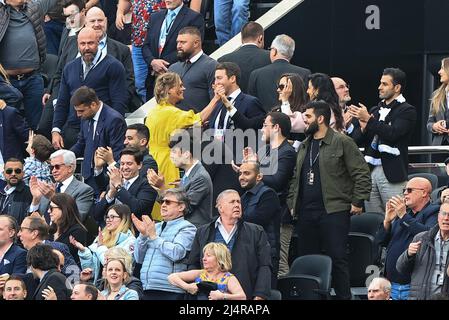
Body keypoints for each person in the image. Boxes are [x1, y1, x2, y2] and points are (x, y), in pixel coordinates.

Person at [287, 101, 371, 300]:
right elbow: (295, 178)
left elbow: (362, 173)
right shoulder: (305, 144)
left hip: (334, 210)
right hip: (306, 211)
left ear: (320, 118)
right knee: (308, 258)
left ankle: (344, 297)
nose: (304, 121)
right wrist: (292, 204)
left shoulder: (342, 142)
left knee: (338, 257)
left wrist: (357, 202)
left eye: (307, 117)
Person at [144, 72, 219, 219]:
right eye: (180, 85)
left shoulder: (154, 112)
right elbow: (200, 117)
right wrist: (216, 98)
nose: (183, 88)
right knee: (172, 206)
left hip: (153, 159)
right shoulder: (171, 112)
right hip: (167, 163)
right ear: (169, 90)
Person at [349, 68, 417, 214]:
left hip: (392, 172)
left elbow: (393, 133)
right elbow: (357, 141)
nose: (379, 87)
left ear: (397, 87)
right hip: (370, 171)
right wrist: (363, 128)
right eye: (380, 83)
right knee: (374, 218)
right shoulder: (375, 110)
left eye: (385, 84)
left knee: (396, 216)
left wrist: (369, 120)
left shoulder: (407, 111)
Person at [52, 27, 128, 150]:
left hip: (101, 130)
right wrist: (56, 130)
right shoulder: (69, 68)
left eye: (90, 43)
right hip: (73, 129)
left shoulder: (113, 66)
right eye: (82, 44)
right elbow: (62, 101)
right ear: (77, 44)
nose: (86, 48)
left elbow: (119, 102)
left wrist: (112, 130)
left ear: (98, 42)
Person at [188, 189, 272, 300]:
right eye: (232, 202)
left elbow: (264, 265)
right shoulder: (203, 231)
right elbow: (193, 263)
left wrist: (260, 295)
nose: (237, 205)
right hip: (208, 295)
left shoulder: (256, 231)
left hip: (243, 294)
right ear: (220, 208)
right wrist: (195, 285)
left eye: (238, 202)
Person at [376, 177, 439, 300]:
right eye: (404, 190)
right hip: (392, 284)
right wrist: (387, 221)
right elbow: (381, 241)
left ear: (424, 193)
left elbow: (428, 235)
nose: (405, 193)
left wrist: (403, 216)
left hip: (412, 285)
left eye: (409, 190)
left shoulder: (434, 211)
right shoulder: (405, 214)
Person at [0, 0, 58, 130]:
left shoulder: (34, 7)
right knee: (8, 125)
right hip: (7, 82)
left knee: (36, 125)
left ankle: (34, 150)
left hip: (33, 79)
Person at [133, 188, 197, 300]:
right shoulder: (155, 227)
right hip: (147, 288)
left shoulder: (188, 227)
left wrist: (153, 237)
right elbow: (139, 259)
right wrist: (143, 236)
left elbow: (177, 253)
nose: (163, 205)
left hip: (170, 290)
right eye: (162, 202)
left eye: (168, 202)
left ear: (181, 207)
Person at [147, 130, 214, 227]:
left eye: (174, 152)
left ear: (186, 154)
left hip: (193, 230)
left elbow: (184, 207)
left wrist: (162, 188)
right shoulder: (189, 174)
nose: (171, 156)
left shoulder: (200, 177)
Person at [69, 86, 127, 195]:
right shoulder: (85, 118)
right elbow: (81, 143)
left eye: (81, 111)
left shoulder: (114, 120)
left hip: (105, 179)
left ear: (93, 105)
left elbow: (118, 153)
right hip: (87, 177)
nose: (78, 115)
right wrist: (64, 156)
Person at [142, 0, 204, 100]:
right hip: (153, 77)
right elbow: (146, 45)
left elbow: (192, 47)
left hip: (177, 79)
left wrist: (162, 65)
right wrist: (153, 61)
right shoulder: (155, 17)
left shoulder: (194, 18)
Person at [70, 204, 136, 284]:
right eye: (107, 217)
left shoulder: (130, 241)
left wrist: (100, 247)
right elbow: (93, 270)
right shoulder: (102, 236)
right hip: (99, 285)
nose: (108, 220)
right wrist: (84, 252)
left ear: (124, 219)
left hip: (118, 286)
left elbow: (113, 265)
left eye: (112, 217)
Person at [396, 201, 449, 300]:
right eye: (443, 213)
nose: (446, 218)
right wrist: (408, 254)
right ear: (438, 216)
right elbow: (401, 269)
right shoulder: (422, 238)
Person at [239, 161, 280, 285]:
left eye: (246, 173)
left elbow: (259, 221)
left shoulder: (269, 195)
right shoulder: (244, 196)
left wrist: (235, 217)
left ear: (259, 177)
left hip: (265, 255)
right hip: (248, 253)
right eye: (240, 173)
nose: (241, 177)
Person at [115, 0, 165, 102]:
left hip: (160, 42)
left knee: (163, 82)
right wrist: (120, 12)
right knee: (140, 84)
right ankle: (148, 112)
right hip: (138, 41)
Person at [92, 147, 157, 222]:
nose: (125, 167)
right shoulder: (114, 182)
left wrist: (119, 188)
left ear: (139, 165)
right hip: (110, 230)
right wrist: (110, 194)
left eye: (129, 164)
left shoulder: (147, 185)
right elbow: (97, 215)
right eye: (122, 164)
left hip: (134, 230)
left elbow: (139, 210)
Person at [248, 34, 311, 112]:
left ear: (274, 51)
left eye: (270, 49)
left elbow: (251, 106)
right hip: (294, 122)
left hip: (264, 122)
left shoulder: (256, 74)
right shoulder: (305, 73)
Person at [28, 149, 94, 223]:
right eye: (51, 167)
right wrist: (36, 199)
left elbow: (77, 219)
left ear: (70, 168)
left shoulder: (83, 190)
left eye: (57, 167)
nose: (53, 171)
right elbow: (32, 222)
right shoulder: (48, 189)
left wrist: (53, 198)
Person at [168, 242, 246, 300]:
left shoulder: (228, 278)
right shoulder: (200, 273)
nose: (204, 259)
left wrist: (223, 296)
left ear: (220, 259)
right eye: (204, 256)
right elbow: (172, 277)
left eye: (208, 256)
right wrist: (187, 287)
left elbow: (242, 297)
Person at [169, 26, 217, 112]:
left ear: (196, 43)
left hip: (199, 123)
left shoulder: (212, 66)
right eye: (178, 42)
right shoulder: (173, 68)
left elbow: (216, 99)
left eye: (183, 42)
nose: (178, 46)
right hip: (173, 122)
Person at [218, 21, 270, 93]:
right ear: (260, 38)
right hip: (263, 103)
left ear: (241, 39)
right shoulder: (270, 57)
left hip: (233, 104)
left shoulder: (223, 60)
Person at [46, 193, 88, 265]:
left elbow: (63, 255)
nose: (48, 211)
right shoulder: (51, 230)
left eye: (51, 208)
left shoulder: (78, 231)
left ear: (63, 208)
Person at [427, 57, 449, 161]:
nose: (439, 72)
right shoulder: (436, 95)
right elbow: (429, 123)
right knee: (440, 177)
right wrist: (434, 126)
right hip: (439, 149)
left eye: (442, 68)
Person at [0, 159, 32, 225]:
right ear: (4, 174)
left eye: (17, 171)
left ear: (23, 173)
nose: (13, 174)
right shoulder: (1, 192)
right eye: (9, 171)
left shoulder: (30, 193)